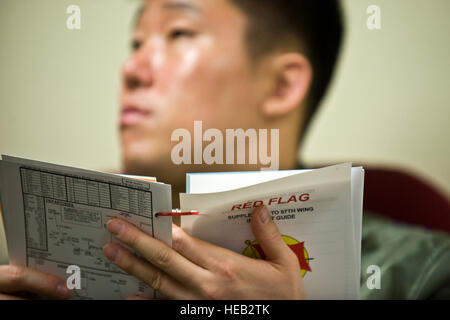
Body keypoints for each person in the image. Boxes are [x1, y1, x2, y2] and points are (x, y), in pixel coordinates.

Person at [1, 0, 449, 300]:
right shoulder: (42, 260)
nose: (132, 69)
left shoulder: (424, 276)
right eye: (135, 44)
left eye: (178, 34)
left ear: (282, 84)